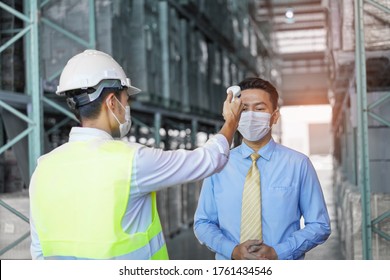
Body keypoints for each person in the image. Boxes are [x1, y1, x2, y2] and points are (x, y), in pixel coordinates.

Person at [29, 49, 243, 260]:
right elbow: (209, 159)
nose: (126, 107)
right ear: (112, 102)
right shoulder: (131, 161)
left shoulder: (43, 168)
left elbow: (38, 252)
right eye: (126, 100)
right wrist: (231, 121)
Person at [194, 77, 331, 260]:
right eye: (243, 109)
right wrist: (232, 250)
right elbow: (203, 223)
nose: (250, 116)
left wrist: (278, 252)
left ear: (274, 116)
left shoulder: (298, 164)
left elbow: (319, 224)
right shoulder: (219, 164)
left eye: (259, 109)